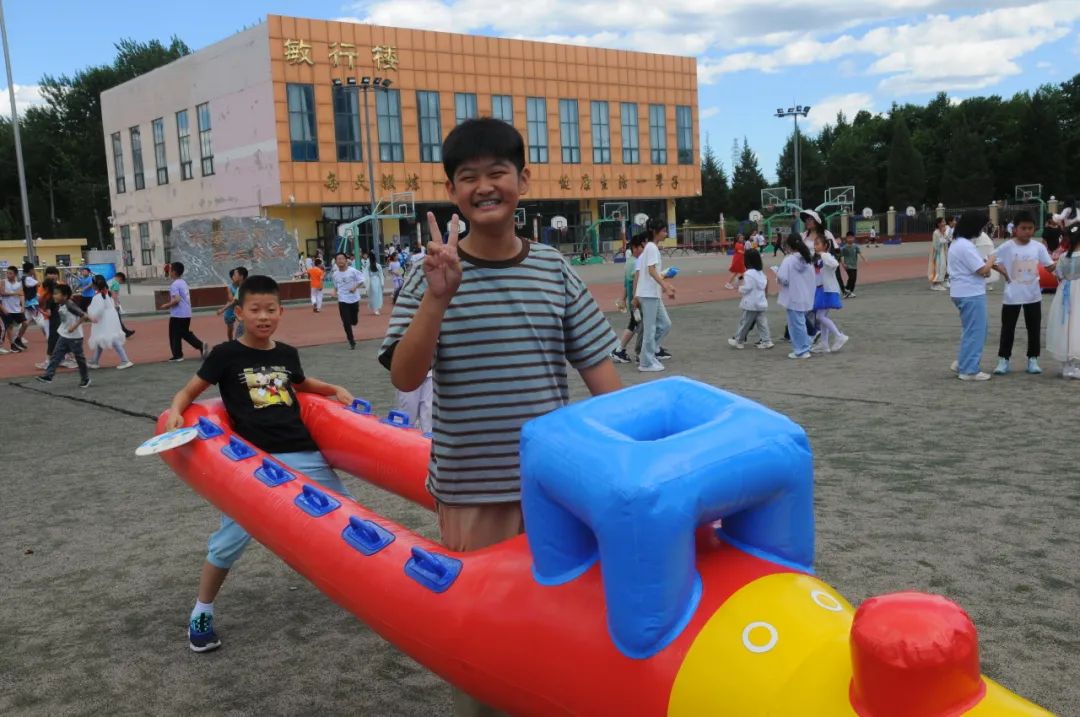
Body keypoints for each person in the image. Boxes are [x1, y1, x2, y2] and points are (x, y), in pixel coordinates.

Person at [379, 117, 620, 716]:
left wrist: (625, 457)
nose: (484, 187)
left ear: (523, 180)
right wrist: (438, 298)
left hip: (555, 488)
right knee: (483, 637)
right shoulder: (429, 273)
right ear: (452, 192)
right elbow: (404, 376)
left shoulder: (553, 270)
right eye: (468, 178)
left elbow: (601, 377)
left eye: (497, 173)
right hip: (471, 490)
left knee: (561, 623)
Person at [164, 275, 356, 653]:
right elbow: (189, 391)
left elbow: (298, 383)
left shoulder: (285, 353)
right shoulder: (224, 355)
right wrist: (175, 411)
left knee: (349, 517)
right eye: (255, 310)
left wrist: (333, 388)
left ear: (281, 312)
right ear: (240, 313)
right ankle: (202, 611)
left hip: (302, 451)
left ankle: (364, 588)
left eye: (271, 310)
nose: (263, 317)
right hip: (253, 462)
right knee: (229, 541)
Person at [990, 211, 1054, 376]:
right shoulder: (1007, 247)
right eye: (1023, 228)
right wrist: (1003, 272)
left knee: (1033, 329)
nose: (1027, 231)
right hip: (1012, 296)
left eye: (1030, 228)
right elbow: (990, 259)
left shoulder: (1038, 247)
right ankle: (1003, 360)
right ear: (1015, 229)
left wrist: (1068, 263)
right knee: (1008, 329)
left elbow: (1049, 266)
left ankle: (1033, 359)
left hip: (1033, 295)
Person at [947, 212, 996, 381]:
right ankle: (969, 370)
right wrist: (991, 259)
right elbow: (982, 270)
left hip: (962, 292)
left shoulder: (957, 244)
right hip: (971, 293)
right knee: (976, 331)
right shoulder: (965, 246)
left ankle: (963, 362)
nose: (981, 231)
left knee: (970, 330)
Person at [633, 219, 676, 372]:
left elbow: (653, 272)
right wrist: (665, 286)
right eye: (663, 230)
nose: (666, 233)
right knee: (650, 329)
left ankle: (649, 355)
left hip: (652, 294)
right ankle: (645, 362)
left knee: (665, 324)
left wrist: (666, 284)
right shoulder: (651, 248)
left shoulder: (652, 248)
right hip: (648, 294)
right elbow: (651, 271)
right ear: (655, 232)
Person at [35, 283, 91, 388]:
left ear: (64, 296)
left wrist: (73, 327)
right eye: (54, 293)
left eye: (57, 294)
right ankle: (48, 376)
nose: (54, 296)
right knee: (56, 356)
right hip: (64, 335)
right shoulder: (61, 304)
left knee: (80, 359)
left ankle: (85, 379)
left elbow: (83, 316)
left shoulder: (70, 304)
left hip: (75, 337)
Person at [773, 233, 816, 359]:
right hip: (805, 295)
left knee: (796, 325)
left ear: (789, 246)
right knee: (800, 322)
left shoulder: (789, 260)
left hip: (793, 296)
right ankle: (805, 346)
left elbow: (783, 279)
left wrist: (778, 275)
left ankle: (802, 350)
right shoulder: (807, 258)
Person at [1047, 223, 1080, 378]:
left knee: (1065, 325)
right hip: (1078, 293)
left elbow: (1058, 274)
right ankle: (1072, 366)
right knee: (1076, 325)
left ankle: (1067, 366)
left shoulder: (1062, 257)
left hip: (1065, 292)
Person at [159, 261, 207, 363]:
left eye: (170, 270)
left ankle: (178, 355)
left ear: (174, 272)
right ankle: (200, 346)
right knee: (184, 333)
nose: (169, 271)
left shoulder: (174, 285)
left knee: (174, 335)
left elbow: (176, 299)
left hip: (178, 314)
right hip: (186, 313)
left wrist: (166, 306)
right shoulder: (183, 282)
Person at [609, 234, 646, 363]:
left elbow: (626, 283)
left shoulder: (630, 261)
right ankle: (621, 350)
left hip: (633, 300)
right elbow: (634, 282)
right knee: (636, 325)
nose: (644, 248)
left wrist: (623, 299)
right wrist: (632, 300)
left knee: (634, 324)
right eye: (642, 246)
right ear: (635, 247)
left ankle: (620, 350)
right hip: (636, 300)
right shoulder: (635, 262)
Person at [727, 248, 772, 349]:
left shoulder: (749, 273)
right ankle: (766, 340)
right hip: (761, 302)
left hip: (751, 303)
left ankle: (739, 340)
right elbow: (764, 284)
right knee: (762, 323)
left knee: (745, 323)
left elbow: (747, 287)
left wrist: (739, 288)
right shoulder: (761, 273)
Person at [811, 235, 849, 353]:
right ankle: (824, 343)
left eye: (818, 244)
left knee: (820, 316)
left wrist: (823, 255)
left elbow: (834, 264)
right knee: (822, 317)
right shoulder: (819, 258)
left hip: (827, 289)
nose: (815, 246)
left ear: (825, 246)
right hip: (822, 289)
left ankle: (839, 336)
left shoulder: (826, 256)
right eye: (815, 244)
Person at [87, 274, 133, 370]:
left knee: (111, 339)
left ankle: (125, 360)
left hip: (104, 320)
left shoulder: (98, 296)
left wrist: (93, 316)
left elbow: (98, 309)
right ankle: (94, 361)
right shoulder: (106, 293)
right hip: (110, 319)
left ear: (95, 285)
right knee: (102, 338)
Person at [330, 252, 364, 349]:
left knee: (354, 321)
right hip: (342, 300)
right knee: (346, 321)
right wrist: (334, 292)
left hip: (354, 299)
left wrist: (355, 287)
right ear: (336, 262)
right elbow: (336, 286)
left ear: (346, 260)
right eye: (338, 259)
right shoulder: (335, 274)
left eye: (341, 259)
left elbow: (361, 280)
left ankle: (354, 321)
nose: (340, 261)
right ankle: (351, 340)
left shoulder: (353, 271)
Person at [216, 267, 248, 341]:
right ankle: (231, 342)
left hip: (241, 310)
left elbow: (234, 301)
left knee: (243, 327)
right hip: (231, 310)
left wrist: (222, 309)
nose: (233, 276)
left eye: (235, 274)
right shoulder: (232, 287)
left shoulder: (244, 287)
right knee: (231, 328)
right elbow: (232, 300)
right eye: (233, 275)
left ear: (241, 276)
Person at [1, 266, 27, 353]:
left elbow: (22, 295)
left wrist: (23, 306)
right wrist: (16, 293)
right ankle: (12, 345)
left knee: (25, 323)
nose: (8, 274)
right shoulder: (3, 282)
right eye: (7, 273)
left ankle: (18, 339)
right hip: (6, 308)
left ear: (15, 274)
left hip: (17, 308)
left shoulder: (19, 283)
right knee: (9, 326)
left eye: (10, 273)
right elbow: (2, 293)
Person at [108, 272, 135, 338]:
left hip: (107, 301)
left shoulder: (109, 281)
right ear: (120, 278)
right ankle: (125, 332)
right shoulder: (116, 283)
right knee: (117, 318)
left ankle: (125, 332)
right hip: (112, 302)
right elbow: (114, 294)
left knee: (114, 318)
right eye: (121, 281)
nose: (120, 283)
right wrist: (116, 304)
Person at [840, 231, 866, 297]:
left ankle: (850, 292)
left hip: (854, 265)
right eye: (849, 238)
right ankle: (846, 289)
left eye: (851, 238)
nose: (850, 239)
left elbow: (860, 253)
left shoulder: (855, 246)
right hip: (848, 265)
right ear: (846, 238)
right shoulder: (844, 248)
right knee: (851, 277)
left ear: (854, 238)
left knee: (854, 279)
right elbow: (841, 256)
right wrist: (843, 264)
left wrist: (864, 259)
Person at [974, 223, 999, 291]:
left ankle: (988, 283)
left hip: (983, 246)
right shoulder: (981, 234)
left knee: (985, 263)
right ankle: (986, 283)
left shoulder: (982, 234)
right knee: (985, 263)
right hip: (982, 246)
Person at [928, 217, 949, 290]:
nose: (944, 224)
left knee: (943, 267)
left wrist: (943, 233)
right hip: (938, 253)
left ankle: (940, 282)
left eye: (945, 222)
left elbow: (947, 240)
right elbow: (937, 244)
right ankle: (935, 284)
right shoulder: (936, 232)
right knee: (938, 267)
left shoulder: (942, 231)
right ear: (938, 224)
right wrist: (943, 235)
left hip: (943, 252)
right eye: (943, 222)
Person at [366, 249, 385, 316]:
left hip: (376, 282)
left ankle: (376, 308)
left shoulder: (378, 266)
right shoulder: (368, 266)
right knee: (374, 295)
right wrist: (367, 285)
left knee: (377, 295)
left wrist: (382, 283)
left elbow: (381, 275)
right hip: (372, 282)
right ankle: (375, 309)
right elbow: (366, 275)